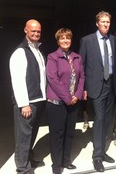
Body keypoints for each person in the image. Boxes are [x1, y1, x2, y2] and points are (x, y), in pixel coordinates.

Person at [79, 11, 116, 172]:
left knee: (107, 120)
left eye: (108, 22)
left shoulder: (114, 40)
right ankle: (97, 157)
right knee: (100, 119)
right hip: (96, 86)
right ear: (97, 23)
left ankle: (102, 153)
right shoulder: (87, 40)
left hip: (111, 85)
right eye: (102, 22)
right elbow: (81, 65)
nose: (105, 24)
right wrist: (83, 88)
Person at [46, 28, 85, 174]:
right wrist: (68, 98)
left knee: (69, 133)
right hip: (56, 103)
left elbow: (82, 77)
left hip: (73, 102)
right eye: (62, 38)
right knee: (57, 134)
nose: (65, 40)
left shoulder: (77, 57)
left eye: (67, 38)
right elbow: (53, 80)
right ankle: (56, 166)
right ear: (58, 41)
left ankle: (66, 161)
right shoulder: (52, 57)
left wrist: (78, 95)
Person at [9, 19, 46, 174]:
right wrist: (24, 104)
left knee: (32, 134)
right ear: (25, 30)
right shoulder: (20, 52)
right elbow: (17, 79)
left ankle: (29, 159)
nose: (36, 33)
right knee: (23, 136)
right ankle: (22, 168)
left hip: (38, 100)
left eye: (38, 31)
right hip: (28, 102)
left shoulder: (37, 50)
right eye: (33, 31)